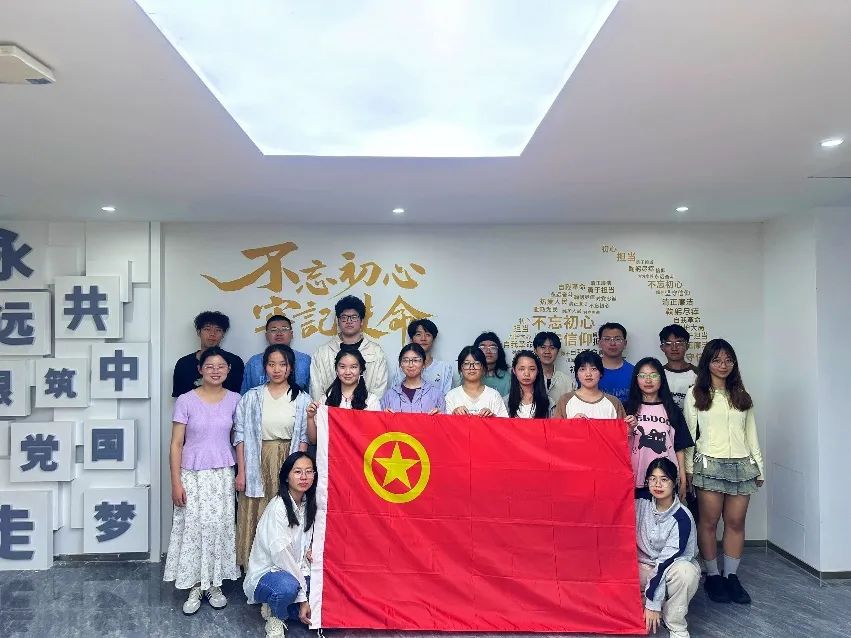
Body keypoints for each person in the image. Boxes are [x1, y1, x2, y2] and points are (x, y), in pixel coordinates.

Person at [683, 339, 765, 605]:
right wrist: (689, 469)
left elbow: (750, 433)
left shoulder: (741, 393)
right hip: (709, 464)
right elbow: (689, 436)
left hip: (742, 464)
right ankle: (713, 575)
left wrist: (759, 467)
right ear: (707, 363)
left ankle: (731, 576)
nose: (723, 365)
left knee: (736, 522)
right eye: (717, 360)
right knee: (708, 522)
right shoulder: (696, 393)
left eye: (729, 360)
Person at [164, 347, 241, 614]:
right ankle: (196, 585)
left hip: (222, 474)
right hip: (192, 475)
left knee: (219, 527)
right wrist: (176, 483)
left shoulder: (235, 399)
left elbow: (239, 439)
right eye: (210, 366)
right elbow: (176, 444)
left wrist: (241, 472)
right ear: (200, 370)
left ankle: (214, 584)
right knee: (195, 529)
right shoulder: (186, 400)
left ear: (228, 370)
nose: (215, 371)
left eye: (221, 366)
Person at [234, 344, 310, 568]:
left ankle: (284, 564)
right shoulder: (251, 397)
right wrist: (242, 471)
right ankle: (253, 565)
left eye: (282, 364)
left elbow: (304, 436)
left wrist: (297, 469)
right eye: (271, 364)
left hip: (288, 457)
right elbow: (240, 435)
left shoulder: (302, 398)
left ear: (291, 367)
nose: (277, 369)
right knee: (257, 507)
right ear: (264, 367)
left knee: (284, 508)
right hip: (257, 458)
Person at [244, 452, 316, 638]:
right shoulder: (278, 508)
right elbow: (282, 557)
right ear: (286, 477)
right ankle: (276, 617)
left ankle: (278, 605)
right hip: (271, 573)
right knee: (288, 588)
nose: (304, 477)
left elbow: (305, 541)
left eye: (309, 471)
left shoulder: (308, 504)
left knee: (322, 591)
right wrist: (303, 599)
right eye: (297, 472)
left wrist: (310, 550)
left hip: (297, 569)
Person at [636, 458, 700, 638]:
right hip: (641, 567)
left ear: (674, 483)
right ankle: (648, 600)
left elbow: (665, 563)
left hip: (670, 568)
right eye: (653, 479)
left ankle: (675, 622)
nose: (657, 484)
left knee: (686, 573)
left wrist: (652, 603)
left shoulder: (682, 518)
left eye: (664, 479)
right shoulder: (639, 501)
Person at [624, 357, 694, 500]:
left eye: (653, 375)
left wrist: (682, 478)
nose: (648, 380)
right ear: (636, 379)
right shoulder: (626, 408)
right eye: (642, 375)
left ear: (662, 378)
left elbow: (679, 447)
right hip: (633, 478)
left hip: (665, 480)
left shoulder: (672, 409)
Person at [309, 295, 388, 401]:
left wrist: (368, 407)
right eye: (344, 317)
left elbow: (380, 389)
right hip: (330, 409)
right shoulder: (322, 352)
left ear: (362, 321)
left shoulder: (376, 352)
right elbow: (316, 388)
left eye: (354, 317)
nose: (349, 321)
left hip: (366, 409)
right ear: (338, 321)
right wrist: (325, 409)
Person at [307, 349, 382, 444]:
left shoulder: (371, 401)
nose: (347, 372)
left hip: (360, 452)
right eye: (342, 367)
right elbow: (314, 440)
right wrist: (310, 417)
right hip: (332, 452)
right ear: (336, 369)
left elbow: (375, 437)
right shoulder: (325, 399)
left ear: (360, 369)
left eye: (353, 367)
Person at [172, 311, 244, 396]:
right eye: (207, 329)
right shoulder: (183, 364)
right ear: (199, 332)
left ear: (223, 334)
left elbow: (238, 397)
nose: (212, 334)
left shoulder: (235, 362)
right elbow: (180, 399)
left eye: (218, 330)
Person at [242, 315, 311, 394]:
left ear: (291, 334)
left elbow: (311, 393)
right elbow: (245, 394)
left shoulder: (305, 361)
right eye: (273, 330)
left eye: (284, 329)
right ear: (266, 336)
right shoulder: (254, 363)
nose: (279, 333)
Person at [389, 319, 454, 395]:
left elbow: (449, 398)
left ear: (433, 339)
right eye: (418, 334)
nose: (423, 338)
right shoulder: (403, 367)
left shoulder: (445, 368)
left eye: (428, 334)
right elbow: (393, 395)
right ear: (411, 339)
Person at [554, 350, 626, 419]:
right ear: (577, 374)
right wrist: (572, 423)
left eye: (593, 369)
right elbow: (556, 427)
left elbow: (623, 427)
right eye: (582, 369)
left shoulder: (614, 402)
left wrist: (630, 425)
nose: (588, 374)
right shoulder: (565, 400)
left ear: (601, 373)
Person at [382, 343, 446, 414]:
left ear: (423, 364)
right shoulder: (389, 395)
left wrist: (440, 417)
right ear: (400, 364)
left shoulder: (436, 394)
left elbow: (444, 420)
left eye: (415, 360)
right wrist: (384, 416)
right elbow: (381, 420)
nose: (410, 365)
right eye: (406, 360)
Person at [444, 346, 508, 417]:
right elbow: (443, 422)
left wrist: (493, 417)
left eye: (477, 363)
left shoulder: (494, 395)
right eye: (466, 363)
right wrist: (454, 415)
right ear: (460, 369)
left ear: (484, 368)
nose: (472, 368)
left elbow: (504, 423)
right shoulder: (451, 396)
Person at [659, 324, 698, 410]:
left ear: (687, 346)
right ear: (662, 347)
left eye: (679, 343)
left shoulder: (699, 373)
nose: (674, 348)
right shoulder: (657, 373)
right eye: (668, 344)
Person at [533, 331, 573, 411]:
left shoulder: (567, 381)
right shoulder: (528, 378)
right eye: (543, 347)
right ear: (535, 350)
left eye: (552, 348)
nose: (547, 352)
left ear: (558, 351)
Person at [505, 350, 550, 419]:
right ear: (514, 370)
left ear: (538, 371)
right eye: (521, 369)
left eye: (532, 369)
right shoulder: (505, 402)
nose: (526, 374)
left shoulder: (549, 403)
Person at [596, 322, 634, 403]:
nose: (612, 343)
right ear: (599, 343)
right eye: (607, 339)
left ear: (625, 343)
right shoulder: (589, 372)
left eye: (617, 339)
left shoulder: (634, 372)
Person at [473, 331, 511, 398]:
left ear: (499, 352)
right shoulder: (470, 375)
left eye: (493, 347)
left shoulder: (508, 378)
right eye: (483, 347)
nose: (488, 351)